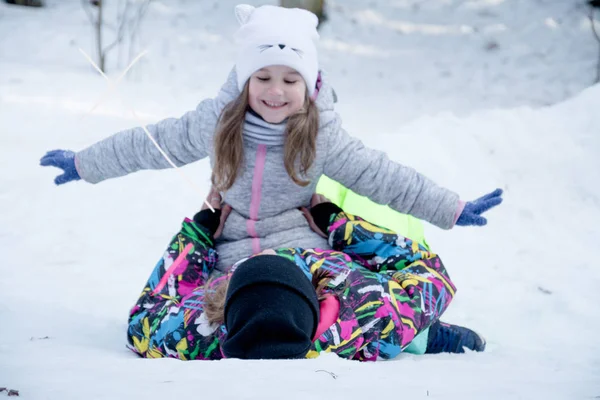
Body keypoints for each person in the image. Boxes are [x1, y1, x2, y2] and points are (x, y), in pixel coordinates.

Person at [39, 4, 503, 270]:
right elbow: (152, 143)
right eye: (262, 77)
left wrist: (450, 207)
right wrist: (86, 163)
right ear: (244, 80)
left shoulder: (322, 135)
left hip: (303, 248)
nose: (275, 91)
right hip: (230, 250)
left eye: (290, 79)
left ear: (309, 84)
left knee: (347, 305)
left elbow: (383, 177)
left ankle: (419, 336)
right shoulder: (218, 123)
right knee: (198, 316)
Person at [127, 192, 485, 360]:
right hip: (363, 300)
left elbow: (144, 315)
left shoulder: (199, 333)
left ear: (226, 306)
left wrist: (200, 233)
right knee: (407, 329)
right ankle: (428, 337)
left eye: (254, 263)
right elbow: (429, 270)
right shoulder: (365, 306)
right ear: (314, 289)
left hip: (269, 296)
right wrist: (338, 224)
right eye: (278, 260)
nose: (270, 250)